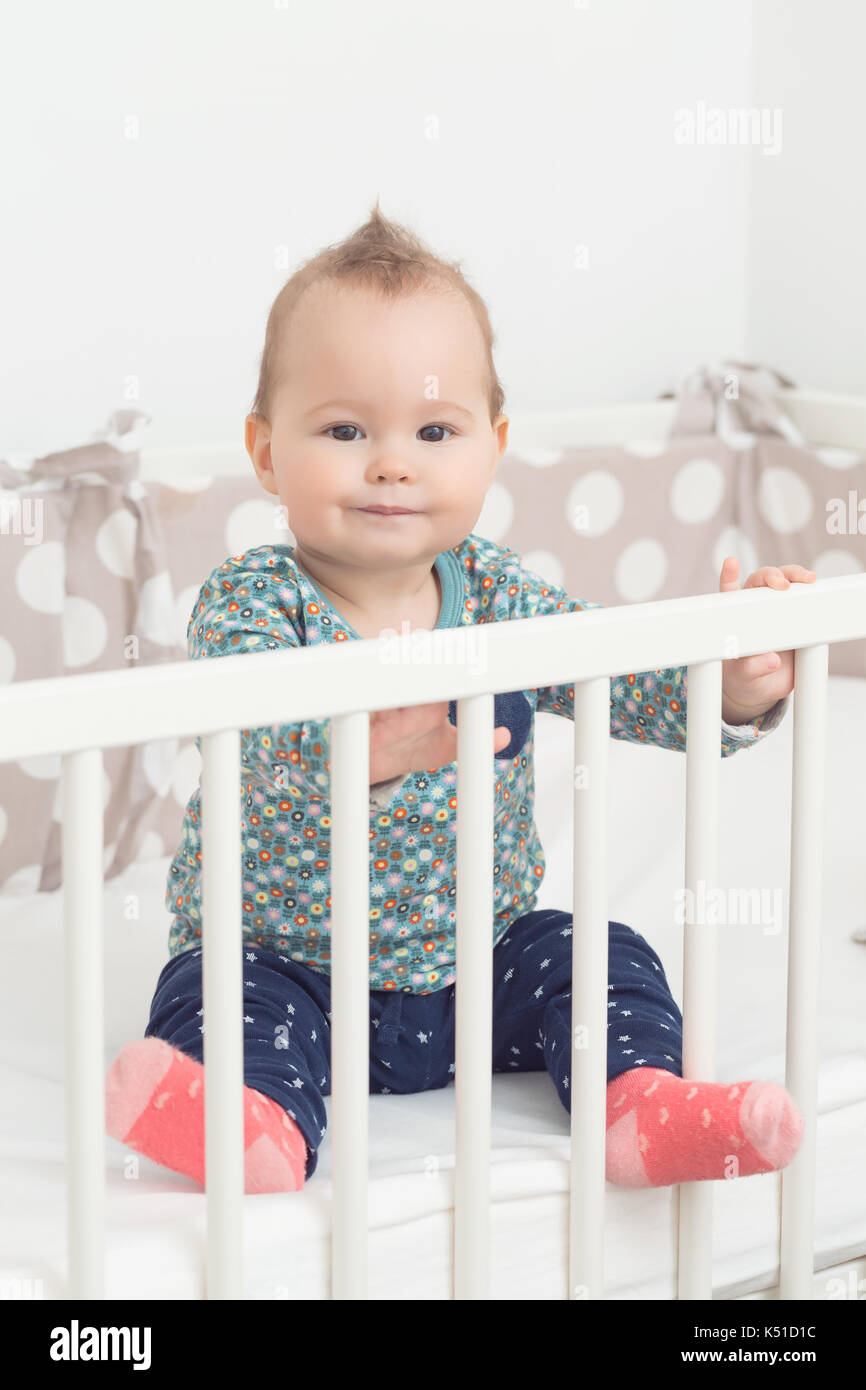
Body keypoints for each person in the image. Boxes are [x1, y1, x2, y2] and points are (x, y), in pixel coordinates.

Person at [106, 201, 811, 1193]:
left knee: (601, 954)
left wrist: (729, 678)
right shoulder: (251, 602)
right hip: (295, 968)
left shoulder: (496, 596)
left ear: (492, 445)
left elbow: (616, 676)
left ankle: (637, 1105)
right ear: (265, 453)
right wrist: (359, 753)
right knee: (209, 985)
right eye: (344, 428)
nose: (391, 460)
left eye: (434, 429)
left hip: (482, 972)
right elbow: (258, 735)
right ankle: (254, 1128)